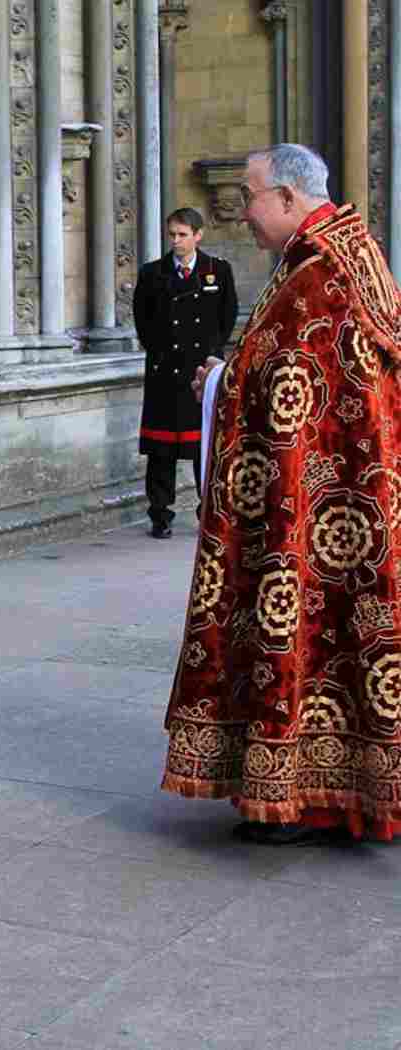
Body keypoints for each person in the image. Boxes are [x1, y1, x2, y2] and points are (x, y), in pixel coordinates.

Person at [164, 143, 401, 845]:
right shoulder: (351, 252)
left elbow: (287, 392)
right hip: (355, 494)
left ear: (290, 199)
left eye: (252, 196)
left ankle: (306, 799)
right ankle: (348, 792)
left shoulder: (317, 276)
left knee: (310, 632)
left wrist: (216, 382)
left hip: (312, 506)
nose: (243, 212)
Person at [132, 206, 238, 539]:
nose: (176, 241)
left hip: (201, 370)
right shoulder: (153, 273)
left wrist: (213, 354)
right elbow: (142, 318)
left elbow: (227, 315)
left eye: (182, 235)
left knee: (203, 448)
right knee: (160, 450)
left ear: (198, 235)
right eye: (172, 235)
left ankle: (207, 513)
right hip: (165, 371)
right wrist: (159, 351)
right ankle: (160, 514)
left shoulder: (217, 271)